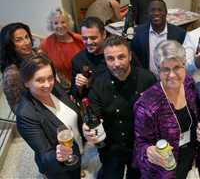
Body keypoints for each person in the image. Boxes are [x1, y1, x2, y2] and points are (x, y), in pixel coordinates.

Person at [83, 35, 156, 179]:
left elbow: (158, 113)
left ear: (130, 56)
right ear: (105, 59)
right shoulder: (98, 83)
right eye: (110, 59)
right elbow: (93, 114)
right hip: (111, 146)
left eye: (121, 57)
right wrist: (88, 129)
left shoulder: (147, 79)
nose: (116, 64)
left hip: (139, 144)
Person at [134, 40, 199, 179]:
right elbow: (140, 145)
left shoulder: (188, 83)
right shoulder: (147, 105)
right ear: (158, 70)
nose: (172, 75)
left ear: (184, 65)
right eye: (165, 69)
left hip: (189, 155)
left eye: (177, 67)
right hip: (166, 168)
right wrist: (148, 151)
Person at [16, 54, 82, 179]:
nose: (47, 85)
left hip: (77, 149)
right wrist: (58, 156)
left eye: (50, 77)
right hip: (59, 167)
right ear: (26, 83)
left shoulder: (54, 86)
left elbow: (73, 110)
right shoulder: (26, 114)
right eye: (40, 80)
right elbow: (44, 153)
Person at [131, 0, 186, 77]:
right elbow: (135, 60)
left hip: (171, 78)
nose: (156, 13)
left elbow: (182, 61)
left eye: (160, 10)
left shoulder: (179, 34)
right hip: (147, 81)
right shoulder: (137, 33)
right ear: (147, 13)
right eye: (152, 10)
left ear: (166, 12)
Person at [40, 8, 84, 88]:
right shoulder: (45, 44)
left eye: (63, 22)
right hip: (62, 87)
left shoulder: (80, 40)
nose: (60, 26)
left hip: (83, 82)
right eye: (56, 23)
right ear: (51, 25)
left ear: (68, 23)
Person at [0, 22, 37, 112]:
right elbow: (18, 109)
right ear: (10, 45)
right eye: (19, 40)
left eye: (27, 37)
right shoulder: (12, 74)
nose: (27, 42)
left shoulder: (36, 54)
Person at [70, 16, 107, 101]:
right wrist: (79, 86)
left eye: (93, 38)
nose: (89, 42)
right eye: (85, 38)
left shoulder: (116, 54)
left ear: (104, 34)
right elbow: (74, 94)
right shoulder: (77, 60)